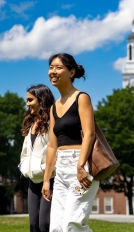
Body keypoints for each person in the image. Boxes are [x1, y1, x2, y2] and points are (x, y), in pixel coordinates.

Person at [41, 53, 99, 232]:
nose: (53, 72)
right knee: (57, 228)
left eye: (58, 68)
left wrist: (81, 166)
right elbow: (52, 145)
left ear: (71, 72)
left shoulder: (81, 98)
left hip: (80, 164)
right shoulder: (53, 107)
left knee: (72, 226)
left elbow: (89, 134)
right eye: (51, 67)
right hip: (61, 169)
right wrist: (45, 180)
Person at [20, 84, 56, 232]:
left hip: (50, 178)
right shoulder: (32, 123)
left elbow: (56, 151)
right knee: (33, 225)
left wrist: (43, 169)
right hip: (33, 180)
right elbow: (25, 151)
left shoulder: (53, 122)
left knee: (45, 224)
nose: (27, 104)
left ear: (41, 100)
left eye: (30, 100)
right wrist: (23, 166)